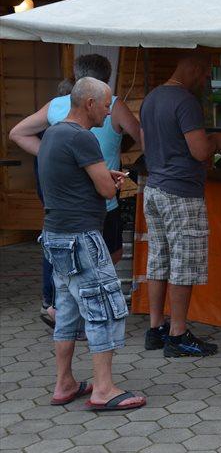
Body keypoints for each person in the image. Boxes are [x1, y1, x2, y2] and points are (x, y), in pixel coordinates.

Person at [38, 77, 146, 411]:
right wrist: (111, 182)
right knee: (103, 309)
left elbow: (68, 178)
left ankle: (64, 383)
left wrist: (100, 177)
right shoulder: (82, 137)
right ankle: (103, 389)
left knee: (68, 311)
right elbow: (105, 190)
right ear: (89, 104)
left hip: (55, 235)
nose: (108, 111)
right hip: (82, 237)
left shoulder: (54, 133)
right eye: (106, 105)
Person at [10, 53, 142, 328]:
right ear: (105, 81)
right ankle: (81, 312)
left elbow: (17, 132)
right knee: (101, 254)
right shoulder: (114, 106)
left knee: (63, 251)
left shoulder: (57, 105)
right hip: (99, 200)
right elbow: (141, 136)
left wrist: (49, 153)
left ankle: (57, 308)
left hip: (62, 199)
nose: (106, 112)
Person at [140, 52, 221, 357]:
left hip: (154, 188)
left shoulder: (151, 98)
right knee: (183, 262)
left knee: (158, 259)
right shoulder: (185, 101)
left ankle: (155, 328)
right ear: (194, 69)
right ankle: (178, 335)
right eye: (205, 75)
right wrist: (217, 141)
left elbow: (145, 144)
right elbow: (199, 151)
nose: (205, 81)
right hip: (181, 192)